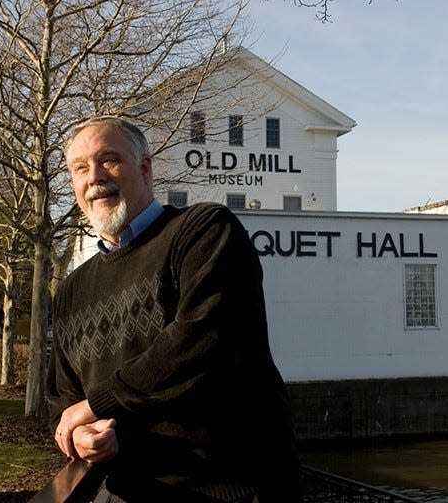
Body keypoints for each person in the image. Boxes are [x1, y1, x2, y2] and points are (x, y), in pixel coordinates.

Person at [47, 116, 301, 502]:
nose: (94, 176)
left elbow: (201, 343)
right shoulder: (70, 290)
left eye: (109, 160)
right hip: (128, 490)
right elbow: (62, 401)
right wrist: (80, 436)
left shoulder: (205, 230)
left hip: (232, 489)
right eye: (80, 168)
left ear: (146, 169)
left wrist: (97, 404)